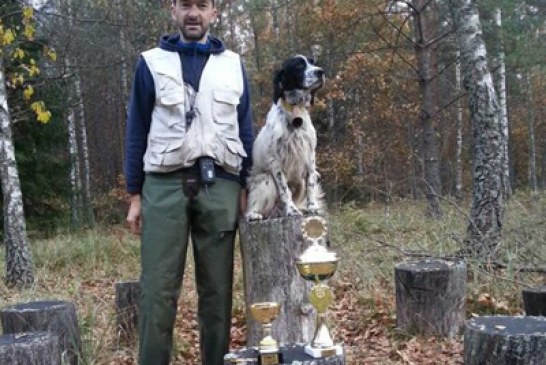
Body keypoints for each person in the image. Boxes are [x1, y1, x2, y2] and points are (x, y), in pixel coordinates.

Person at [124, 0, 253, 364]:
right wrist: (135, 194)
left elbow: (245, 129)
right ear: (173, 10)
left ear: (214, 12)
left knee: (218, 292)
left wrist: (245, 186)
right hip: (163, 186)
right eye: (186, 5)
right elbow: (137, 129)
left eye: (202, 5)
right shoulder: (150, 62)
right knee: (157, 291)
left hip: (222, 185)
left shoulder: (233, 65)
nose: (193, 13)